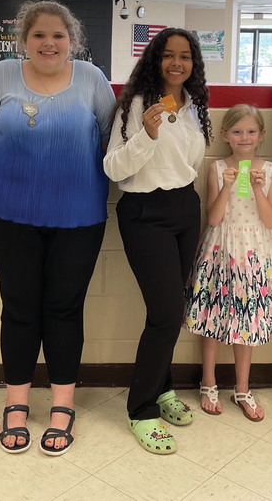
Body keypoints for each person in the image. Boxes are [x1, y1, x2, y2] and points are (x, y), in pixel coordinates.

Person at [0, 0, 115, 456]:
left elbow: (108, 139)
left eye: (58, 36)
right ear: (24, 40)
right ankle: (15, 403)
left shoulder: (92, 79)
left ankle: (62, 405)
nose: (49, 43)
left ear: (72, 41)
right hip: (8, 213)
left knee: (64, 308)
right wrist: (29, 174)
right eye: (39, 35)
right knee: (19, 307)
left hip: (78, 215)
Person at [104, 28, 212, 455]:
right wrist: (146, 135)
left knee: (172, 309)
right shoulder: (136, 105)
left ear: (193, 63)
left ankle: (163, 388)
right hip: (145, 211)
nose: (176, 63)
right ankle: (141, 409)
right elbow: (114, 168)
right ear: (155, 59)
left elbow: (191, 163)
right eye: (168, 55)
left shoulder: (194, 106)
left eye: (185, 56)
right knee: (166, 314)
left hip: (185, 207)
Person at [184, 104, 272, 421]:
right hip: (221, 249)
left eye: (251, 131)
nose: (244, 137)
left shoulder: (271, 170)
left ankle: (242, 388)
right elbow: (213, 217)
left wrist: (259, 189)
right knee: (212, 318)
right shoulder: (216, 168)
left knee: (246, 321)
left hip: (255, 252)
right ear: (225, 135)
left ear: (262, 135)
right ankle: (208, 382)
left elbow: (271, 220)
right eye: (237, 131)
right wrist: (225, 186)